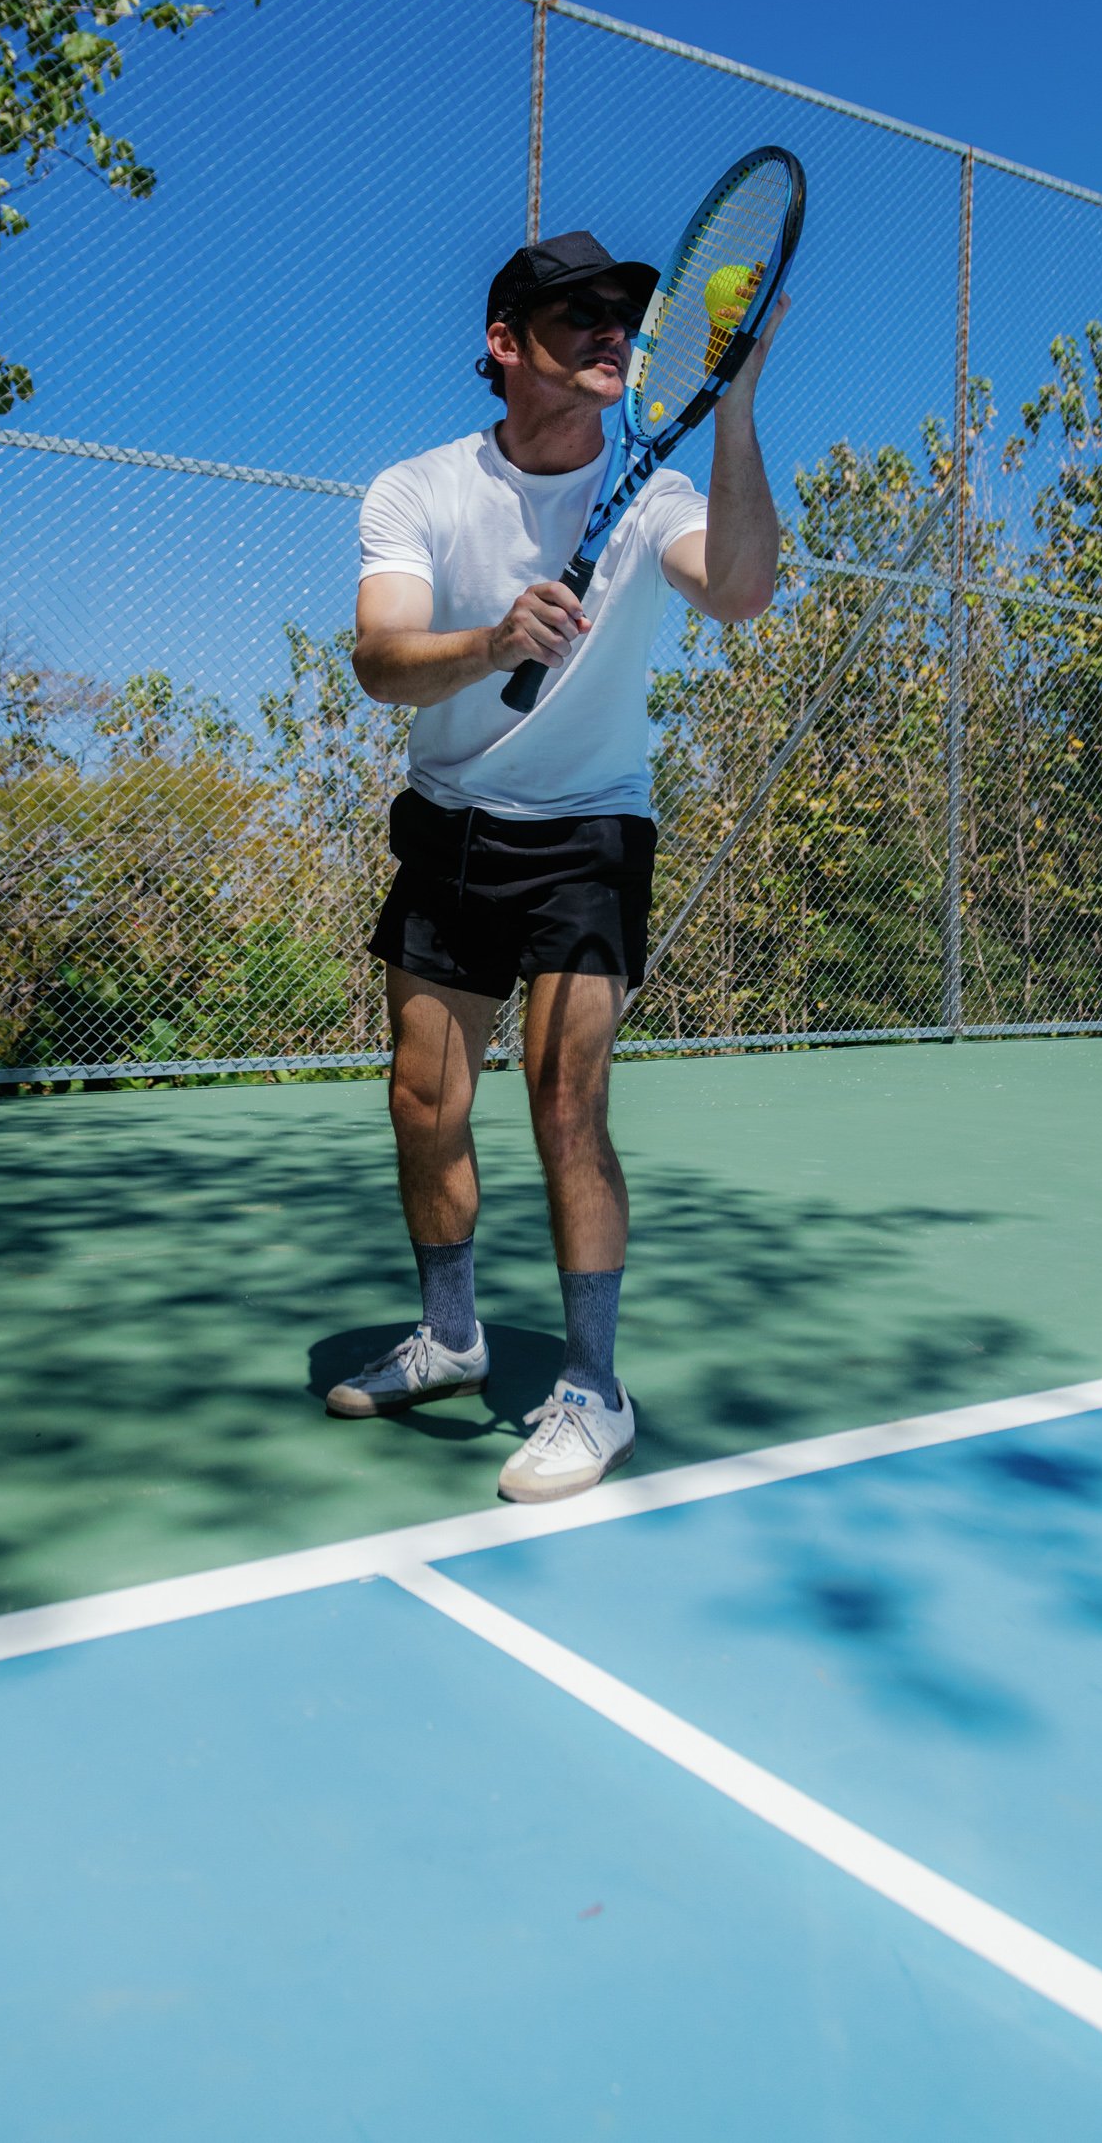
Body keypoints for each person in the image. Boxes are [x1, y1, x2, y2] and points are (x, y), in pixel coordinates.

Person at [328, 227, 787, 1500]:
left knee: (563, 1100)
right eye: (573, 311)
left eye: (621, 314)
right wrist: (490, 641)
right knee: (424, 1103)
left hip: (588, 830)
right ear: (503, 341)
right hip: (449, 818)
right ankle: (454, 1337)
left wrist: (736, 399)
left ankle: (594, 1392)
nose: (606, 330)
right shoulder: (416, 489)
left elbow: (742, 592)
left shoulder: (657, 499)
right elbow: (378, 662)